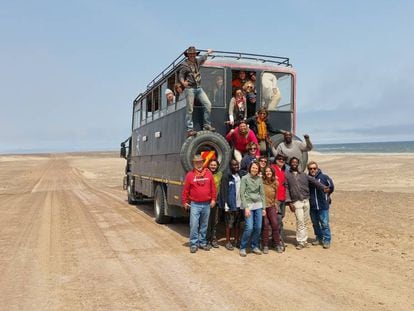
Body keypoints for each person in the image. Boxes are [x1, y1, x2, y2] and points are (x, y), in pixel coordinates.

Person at [285, 157, 329, 250]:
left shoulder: (303, 175)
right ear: (290, 164)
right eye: (292, 162)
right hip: (296, 202)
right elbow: (286, 189)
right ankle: (300, 241)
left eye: (296, 162)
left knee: (304, 222)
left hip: (306, 200)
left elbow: (314, 181)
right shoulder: (287, 175)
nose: (294, 163)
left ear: (298, 164)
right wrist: (289, 202)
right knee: (300, 221)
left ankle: (304, 241)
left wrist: (323, 187)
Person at [182, 155, 217, 253]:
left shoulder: (209, 173)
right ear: (194, 164)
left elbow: (213, 188)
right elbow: (186, 190)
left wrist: (213, 199)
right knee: (194, 224)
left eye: (200, 162)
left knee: (204, 225)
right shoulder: (190, 175)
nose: (198, 164)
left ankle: (202, 242)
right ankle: (193, 244)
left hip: (206, 204)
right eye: (196, 162)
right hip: (195, 204)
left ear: (203, 162)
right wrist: (184, 201)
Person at [179, 46, 215, 136]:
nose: (192, 55)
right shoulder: (184, 64)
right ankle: (190, 129)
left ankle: (207, 124)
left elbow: (203, 57)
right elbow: (181, 75)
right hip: (190, 88)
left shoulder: (197, 61)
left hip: (199, 87)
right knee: (190, 109)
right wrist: (183, 83)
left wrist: (208, 52)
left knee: (208, 104)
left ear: (195, 54)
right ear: (188, 55)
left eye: (193, 54)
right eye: (190, 54)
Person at [239, 161, 266, 257]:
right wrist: (246, 207)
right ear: (250, 168)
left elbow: (262, 193)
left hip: (258, 205)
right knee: (249, 227)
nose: (254, 169)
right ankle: (242, 247)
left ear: (258, 170)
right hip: (248, 205)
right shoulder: (244, 178)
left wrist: (264, 208)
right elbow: (242, 194)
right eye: (253, 167)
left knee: (258, 227)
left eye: (256, 168)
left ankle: (255, 246)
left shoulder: (259, 179)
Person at [307, 161, 335, 249]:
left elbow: (331, 187)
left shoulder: (324, 177)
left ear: (317, 168)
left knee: (324, 223)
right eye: (310, 168)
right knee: (315, 223)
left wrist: (327, 196)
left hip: (323, 205)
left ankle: (327, 240)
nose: (312, 170)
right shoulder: (307, 178)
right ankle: (318, 238)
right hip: (312, 206)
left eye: (314, 168)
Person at [218, 159, 242, 251]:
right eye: (233, 165)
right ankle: (228, 241)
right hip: (230, 204)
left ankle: (236, 240)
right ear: (230, 166)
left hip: (240, 204)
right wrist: (225, 204)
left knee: (238, 224)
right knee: (229, 224)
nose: (236, 166)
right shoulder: (226, 176)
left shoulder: (240, 175)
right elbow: (223, 191)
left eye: (237, 165)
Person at [262, 166, 283, 254]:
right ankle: (265, 245)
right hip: (263, 207)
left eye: (269, 171)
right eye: (266, 171)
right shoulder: (261, 182)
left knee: (275, 224)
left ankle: (277, 244)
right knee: (266, 225)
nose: (268, 173)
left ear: (272, 172)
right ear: (264, 173)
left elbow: (276, 196)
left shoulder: (276, 182)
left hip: (271, 206)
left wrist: (276, 205)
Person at [271, 152, 288, 251]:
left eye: (283, 159)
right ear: (276, 159)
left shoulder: (284, 170)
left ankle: (275, 240)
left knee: (279, 220)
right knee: (278, 221)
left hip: (283, 199)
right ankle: (278, 241)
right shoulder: (272, 168)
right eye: (279, 158)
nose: (281, 160)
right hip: (275, 200)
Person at [206, 159, 223, 248]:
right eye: (211, 165)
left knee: (215, 221)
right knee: (207, 221)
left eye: (214, 165)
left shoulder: (220, 174)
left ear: (217, 166)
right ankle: (207, 240)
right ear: (208, 165)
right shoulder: (205, 173)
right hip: (206, 201)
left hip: (215, 201)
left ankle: (213, 238)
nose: (213, 166)